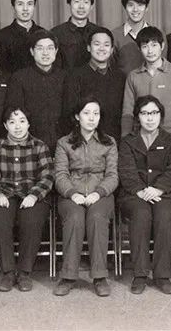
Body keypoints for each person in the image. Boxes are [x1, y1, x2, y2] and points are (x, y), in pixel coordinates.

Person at [0, 106, 54, 292]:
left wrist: (34, 195)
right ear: (6, 125)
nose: (18, 126)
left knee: (32, 220)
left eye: (22, 121)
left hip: (31, 194)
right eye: (12, 122)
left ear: (28, 124)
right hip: (4, 194)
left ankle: (24, 273)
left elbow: (48, 176)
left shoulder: (39, 146)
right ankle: (8, 272)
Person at [118, 95, 171, 295]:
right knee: (141, 214)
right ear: (137, 117)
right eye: (145, 113)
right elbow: (126, 171)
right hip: (134, 193)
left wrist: (158, 189)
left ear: (161, 116)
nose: (150, 118)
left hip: (166, 192)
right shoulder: (128, 142)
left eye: (154, 113)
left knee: (165, 215)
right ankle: (140, 274)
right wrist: (140, 190)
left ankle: (162, 275)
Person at [53, 97, 119, 297]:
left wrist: (99, 193)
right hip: (71, 193)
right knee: (74, 218)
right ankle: (68, 276)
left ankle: (99, 277)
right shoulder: (64, 143)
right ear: (77, 116)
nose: (91, 118)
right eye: (87, 113)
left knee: (97, 218)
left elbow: (112, 175)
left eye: (96, 114)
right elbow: (60, 175)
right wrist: (72, 194)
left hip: (101, 193)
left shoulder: (109, 142)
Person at [121, 26, 171, 142]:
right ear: (139, 49)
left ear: (162, 46)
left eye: (154, 45)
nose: (150, 51)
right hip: (141, 139)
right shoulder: (133, 76)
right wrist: (126, 140)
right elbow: (127, 112)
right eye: (145, 46)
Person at [6, 30, 67, 151]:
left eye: (50, 48)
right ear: (32, 51)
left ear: (56, 51)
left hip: (63, 144)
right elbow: (15, 112)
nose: (45, 53)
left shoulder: (65, 77)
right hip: (30, 145)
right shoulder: (19, 77)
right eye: (40, 48)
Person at [62, 27, 125, 141]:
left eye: (106, 45)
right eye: (97, 44)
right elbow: (70, 111)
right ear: (88, 47)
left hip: (114, 141)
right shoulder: (75, 76)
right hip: (84, 140)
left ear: (112, 49)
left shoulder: (120, 77)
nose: (101, 48)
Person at [111, 0, 167, 76]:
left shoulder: (158, 34)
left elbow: (163, 66)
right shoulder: (114, 35)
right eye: (131, 5)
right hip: (124, 84)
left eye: (140, 5)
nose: (135, 9)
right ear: (125, 8)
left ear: (146, 8)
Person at [0, 0, 44, 73]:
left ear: (34, 6)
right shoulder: (2, 36)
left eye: (29, 4)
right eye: (20, 4)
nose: (25, 9)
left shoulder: (43, 34)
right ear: (13, 7)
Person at [51, 0, 99, 70]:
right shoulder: (56, 33)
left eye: (86, 2)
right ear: (69, 4)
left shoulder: (99, 32)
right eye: (77, 1)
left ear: (91, 6)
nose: (81, 6)